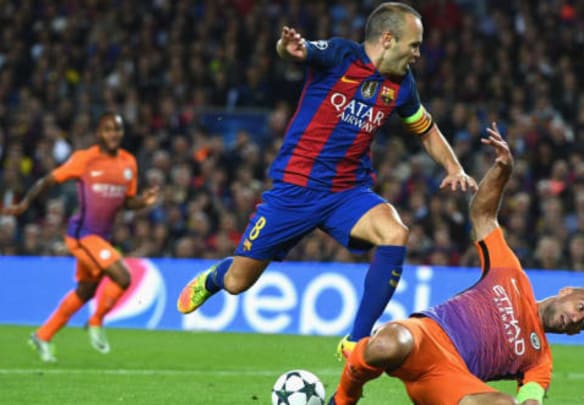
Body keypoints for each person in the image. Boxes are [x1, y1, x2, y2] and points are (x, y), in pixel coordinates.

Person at [177, 2, 477, 357]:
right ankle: (215, 277)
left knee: (395, 232)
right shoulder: (340, 55)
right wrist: (287, 48)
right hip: (295, 190)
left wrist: (454, 167)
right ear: (387, 39)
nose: (417, 53)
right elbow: (299, 51)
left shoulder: (402, 86)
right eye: (413, 44)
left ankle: (356, 341)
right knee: (237, 282)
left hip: (347, 193)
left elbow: (426, 130)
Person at [328, 124, 584, 405]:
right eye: (581, 308)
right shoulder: (511, 275)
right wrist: (502, 171)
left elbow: (530, 399)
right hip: (427, 335)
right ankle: (342, 400)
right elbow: (483, 216)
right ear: (566, 291)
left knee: (505, 404)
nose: (577, 319)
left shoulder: (540, 360)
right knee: (388, 343)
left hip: (452, 379)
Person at [2, 113, 159, 362]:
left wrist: (143, 202)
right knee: (123, 276)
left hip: (101, 239)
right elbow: (48, 180)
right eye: (107, 130)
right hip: (81, 235)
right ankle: (95, 321)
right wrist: (25, 204)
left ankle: (43, 335)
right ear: (99, 133)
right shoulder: (85, 159)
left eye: (117, 130)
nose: (113, 134)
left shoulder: (129, 163)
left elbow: (126, 202)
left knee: (85, 291)